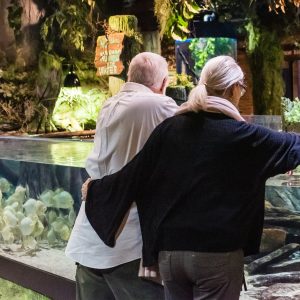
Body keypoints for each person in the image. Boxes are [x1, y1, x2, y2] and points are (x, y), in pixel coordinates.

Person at [84, 55, 300, 300]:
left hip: (170, 256)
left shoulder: (170, 129)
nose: (241, 93)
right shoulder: (244, 136)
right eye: (242, 88)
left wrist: (95, 189)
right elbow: (294, 145)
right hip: (216, 255)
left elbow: (134, 173)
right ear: (232, 89)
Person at [65, 52, 178, 300]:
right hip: (126, 242)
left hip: (89, 235)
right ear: (163, 83)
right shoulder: (161, 105)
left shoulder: (109, 104)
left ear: (129, 76)